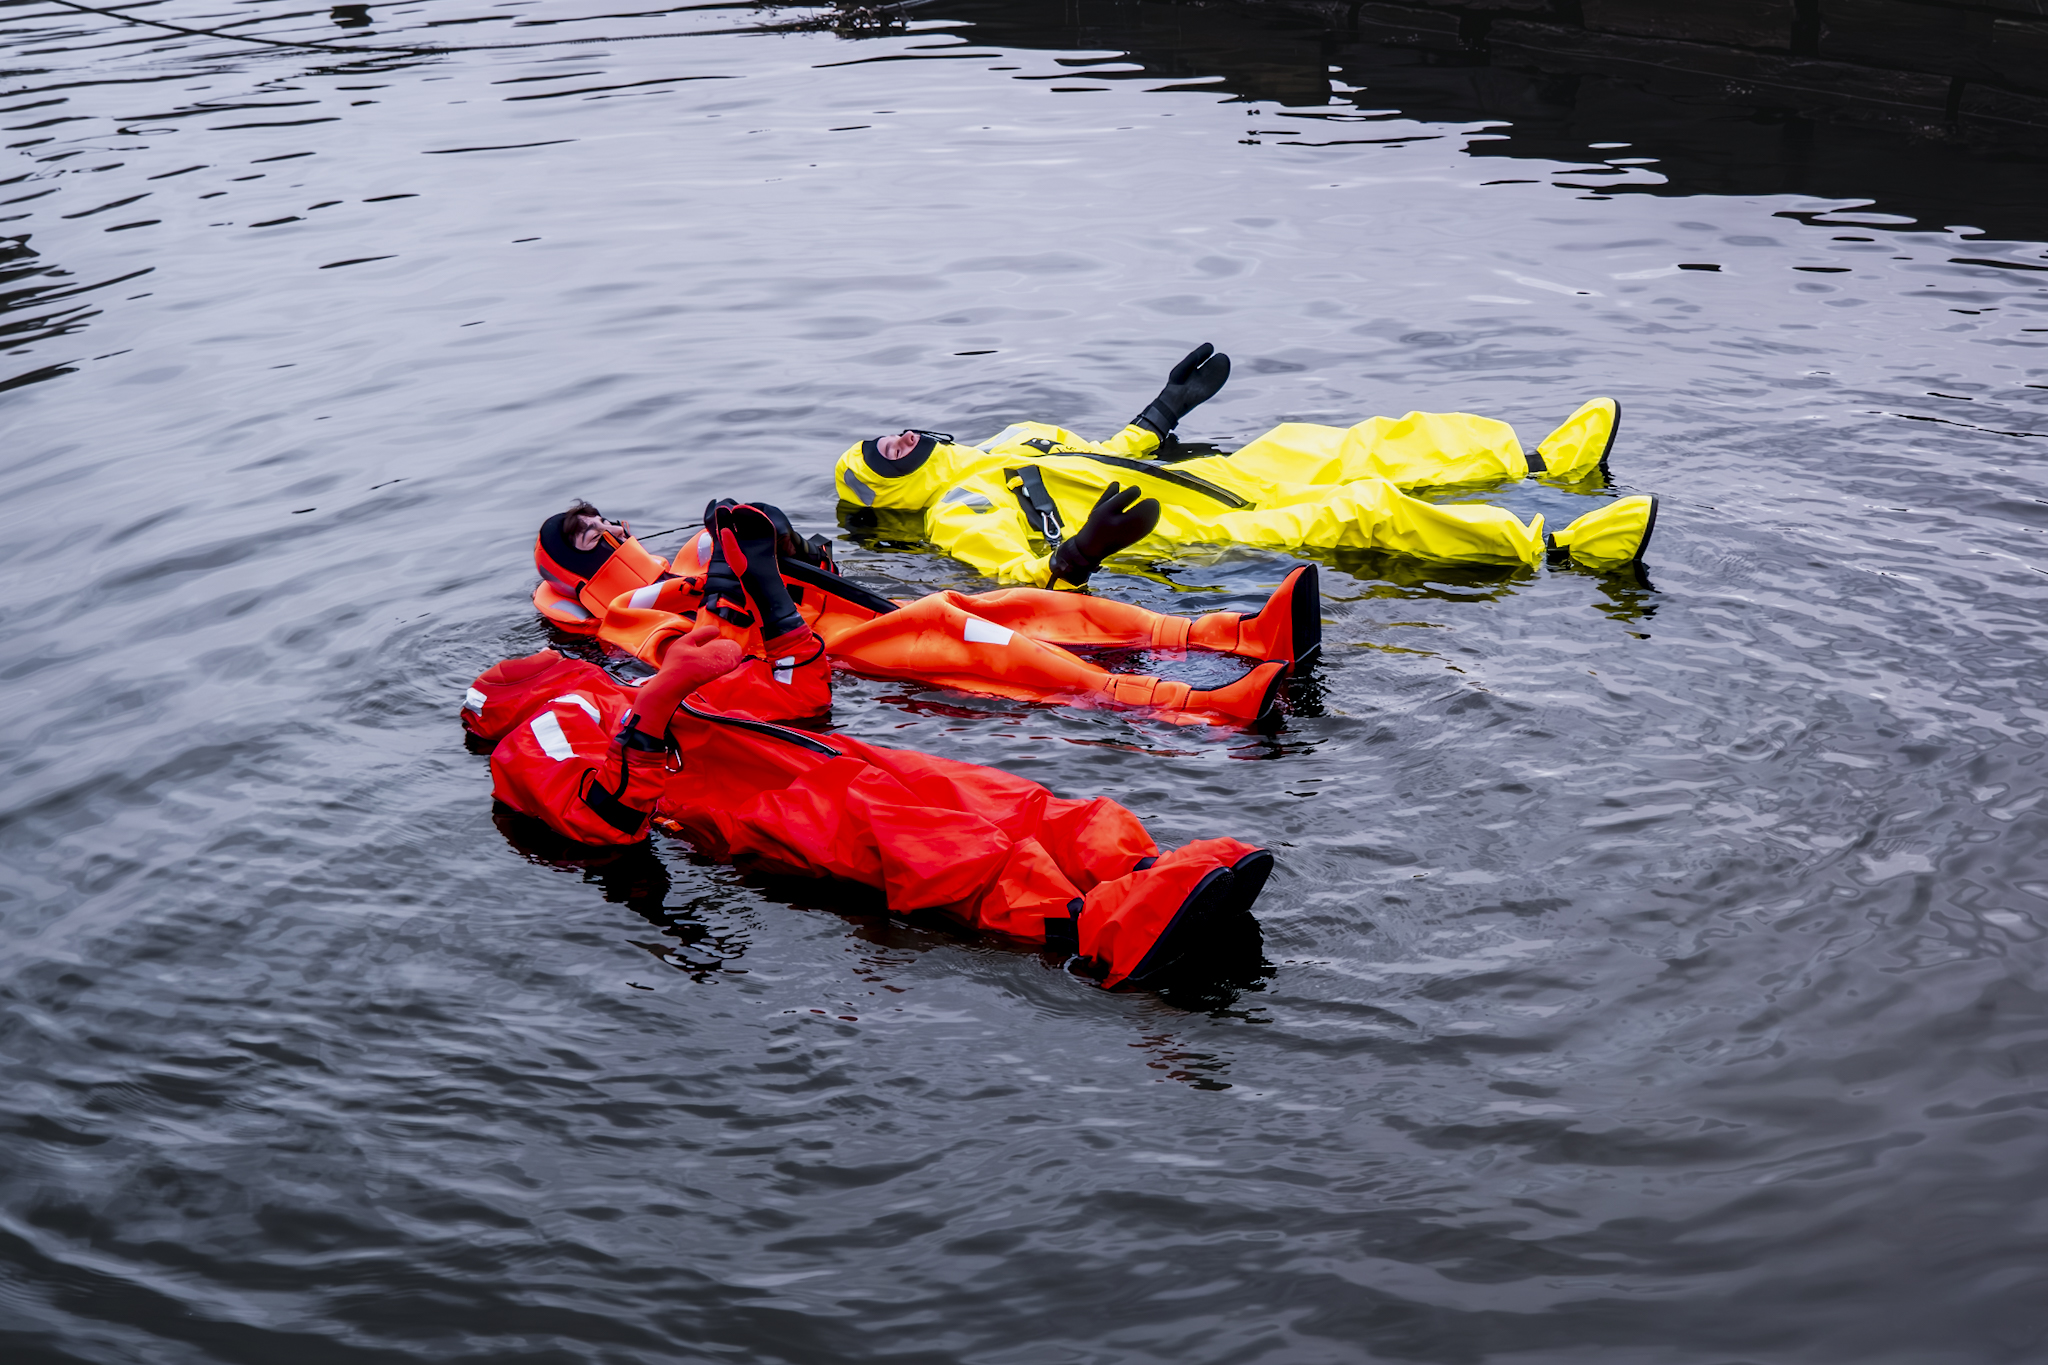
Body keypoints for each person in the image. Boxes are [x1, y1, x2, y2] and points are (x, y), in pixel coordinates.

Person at [465, 563, 1275, 992]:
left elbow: (800, 693)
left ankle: (1146, 870)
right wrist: (664, 696)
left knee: (1009, 800)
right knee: (940, 847)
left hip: (818, 760)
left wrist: (773, 609)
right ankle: (1100, 930)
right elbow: (603, 820)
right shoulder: (529, 738)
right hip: (755, 808)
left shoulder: (609, 691)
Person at [831, 342, 1659, 588]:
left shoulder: (1010, 439)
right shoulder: (956, 511)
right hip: (1198, 529)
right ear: (885, 493)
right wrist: (1082, 552)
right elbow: (1016, 573)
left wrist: (1163, 410)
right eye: (879, 457)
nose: (894, 440)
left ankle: (1547, 456)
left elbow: (1103, 453)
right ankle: (1564, 548)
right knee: (1358, 504)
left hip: (1213, 477)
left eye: (891, 435)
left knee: (1340, 442)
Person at [531, 499, 1321, 727]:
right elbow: (694, 660)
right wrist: (741, 589)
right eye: (582, 532)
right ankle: (1202, 709)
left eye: (600, 515)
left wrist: (763, 530)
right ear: (573, 569)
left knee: (1013, 605)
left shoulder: (682, 558)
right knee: (965, 632)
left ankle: (1234, 634)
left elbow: (799, 566)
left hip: (856, 617)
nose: (603, 527)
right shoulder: (619, 619)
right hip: (840, 654)